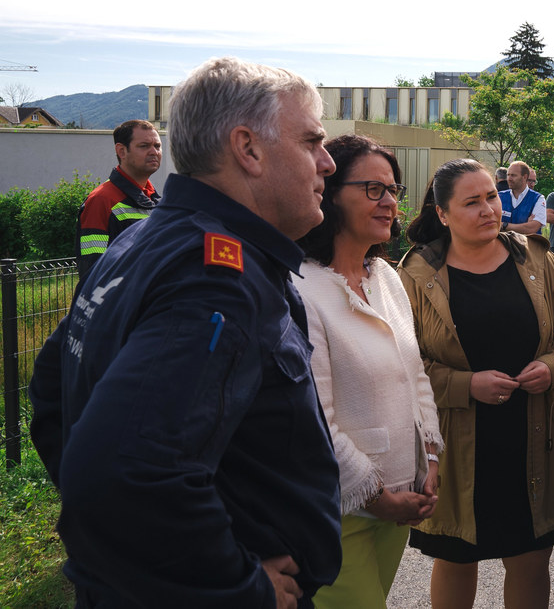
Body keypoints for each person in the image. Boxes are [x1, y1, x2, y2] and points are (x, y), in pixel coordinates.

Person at [28, 57, 343, 608]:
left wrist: (114, 555)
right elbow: (116, 474)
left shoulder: (147, 238)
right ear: (248, 149)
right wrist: (240, 588)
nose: (327, 163)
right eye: (312, 141)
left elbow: (54, 391)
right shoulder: (217, 277)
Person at [398, 158, 554, 609]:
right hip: (457, 442)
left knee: (530, 557)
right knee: (457, 556)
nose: (489, 209)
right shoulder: (416, 275)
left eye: (491, 197)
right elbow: (405, 365)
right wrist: (466, 384)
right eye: (472, 202)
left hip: (533, 433)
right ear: (442, 214)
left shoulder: (536, 257)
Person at [294, 134, 443, 608]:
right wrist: (376, 497)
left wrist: (430, 459)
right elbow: (315, 416)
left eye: (394, 190)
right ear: (330, 192)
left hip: (402, 493)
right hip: (338, 508)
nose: (390, 203)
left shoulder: (387, 277)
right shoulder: (300, 288)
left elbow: (415, 374)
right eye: (374, 189)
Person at [76, 119, 162, 278]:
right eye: (144, 146)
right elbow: (92, 270)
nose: (154, 152)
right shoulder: (101, 200)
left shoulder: (155, 200)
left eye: (157, 146)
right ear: (121, 151)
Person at [499, 160, 546, 234]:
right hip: (502, 245)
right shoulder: (499, 197)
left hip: (527, 245)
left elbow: (532, 228)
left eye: (513, 175)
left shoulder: (538, 199)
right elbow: (490, 225)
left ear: (524, 177)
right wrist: (524, 226)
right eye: (508, 175)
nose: (509, 179)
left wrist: (504, 225)